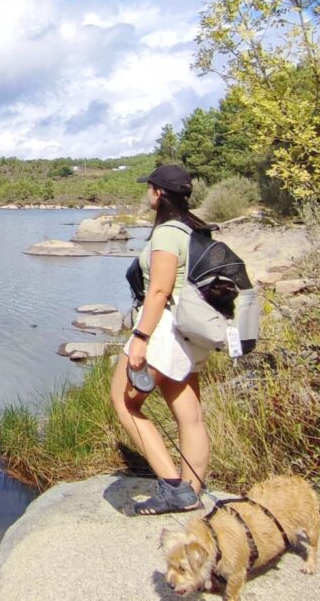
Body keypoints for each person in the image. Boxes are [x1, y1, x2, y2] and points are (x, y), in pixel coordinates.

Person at [110, 164, 214, 515]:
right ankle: (191, 491)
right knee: (190, 414)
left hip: (165, 330)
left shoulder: (168, 232)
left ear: (159, 193)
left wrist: (140, 338)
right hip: (190, 332)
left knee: (125, 402)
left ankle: (173, 486)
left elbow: (158, 291)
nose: (147, 194)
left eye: (149, 188)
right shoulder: (195, 228)